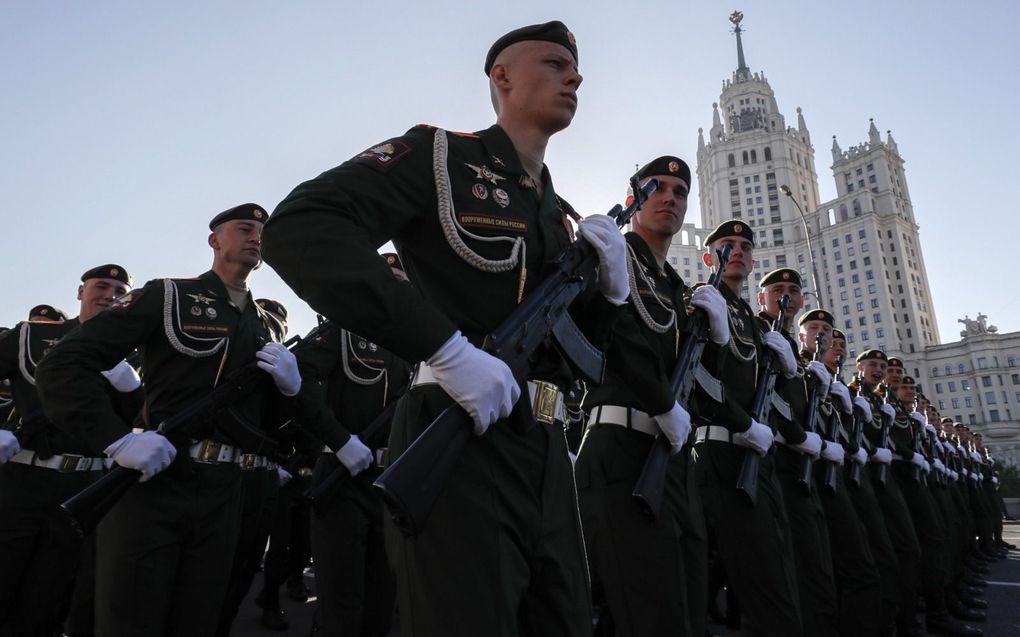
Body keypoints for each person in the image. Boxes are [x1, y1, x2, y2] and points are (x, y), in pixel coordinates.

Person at [262, 20, 627, 637]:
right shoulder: (441, 156)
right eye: (555, 62)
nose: (575, 75)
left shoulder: (556, 214)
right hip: (457, 431)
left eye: (576, 67)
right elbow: (300, 228)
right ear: (502, 76)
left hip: (546, 451)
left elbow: (590, 357)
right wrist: (447, 350)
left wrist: (611, 291)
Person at [36, 204, 304, 636]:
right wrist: (117, 440)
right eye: (244, 228)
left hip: (228, 493)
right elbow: (64, 365)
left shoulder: (261, 324)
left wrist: (291, 392)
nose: (256, 236)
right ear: (215, 241)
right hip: (161, 479)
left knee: (197, 620)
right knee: (131, 618)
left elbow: (270, 423)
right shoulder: (168, 295)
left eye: (261, 231)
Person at [576, 156, 725, 636]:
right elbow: (605, 337)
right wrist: (662, 402)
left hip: (670, 458)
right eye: (656, 188)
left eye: (680, 192)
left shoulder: (679, 290)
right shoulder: (613, 253)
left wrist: (717, 342)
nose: (670, 198)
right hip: (619, 451)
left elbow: (694, 379)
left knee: (685, 602)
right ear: (632, 202)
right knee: (647, 611)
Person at [0, 264, 141, 636]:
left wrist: (133, 390)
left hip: (86, 487)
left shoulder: (135, 352)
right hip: (22, 480)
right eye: (101, 286)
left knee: (49, 598)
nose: (109, 295)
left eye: (119, 290)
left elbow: (144, 422)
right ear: (80, 292)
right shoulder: (32, 336)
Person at [691, 220, 803, 636]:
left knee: (772, 568)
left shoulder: (756, 325)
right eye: (726, 245)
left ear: (752, 261)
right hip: (716, 452)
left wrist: (791, 370)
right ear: (708, 258)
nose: (736, 251)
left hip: (755, 454)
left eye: (743, 247)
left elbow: (776, 400)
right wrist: (741, 422)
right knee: (761, 583)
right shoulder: (703, 301)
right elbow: (696, 382)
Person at [296, 253, 413, 636]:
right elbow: (300, 384)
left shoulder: (420, 343)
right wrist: (338, 439)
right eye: (388, 277)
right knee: (341, 602)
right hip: (343, 476)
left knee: (383, 602)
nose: (396, 285)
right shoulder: (342, 330)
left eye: (403, 279)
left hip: (395, 482)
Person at [755, 277, 840, 636]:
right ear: (763, 298)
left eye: (792, 293)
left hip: (797, 464)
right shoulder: (759, 331)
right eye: (778, 293)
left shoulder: (794, 349)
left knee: (813, 566)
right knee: (781, 574)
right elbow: (759, 391)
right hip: (769, 457)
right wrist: (797, 435)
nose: (786, 298)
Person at [799, 321, 884, 636]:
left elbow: (847, 438)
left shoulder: (839, 388)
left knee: (855, 567)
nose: (837, 348)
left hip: (840, 479)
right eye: (829, 340)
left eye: (840, 343)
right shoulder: (802, 370)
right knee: (826, 574)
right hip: (809, 477)